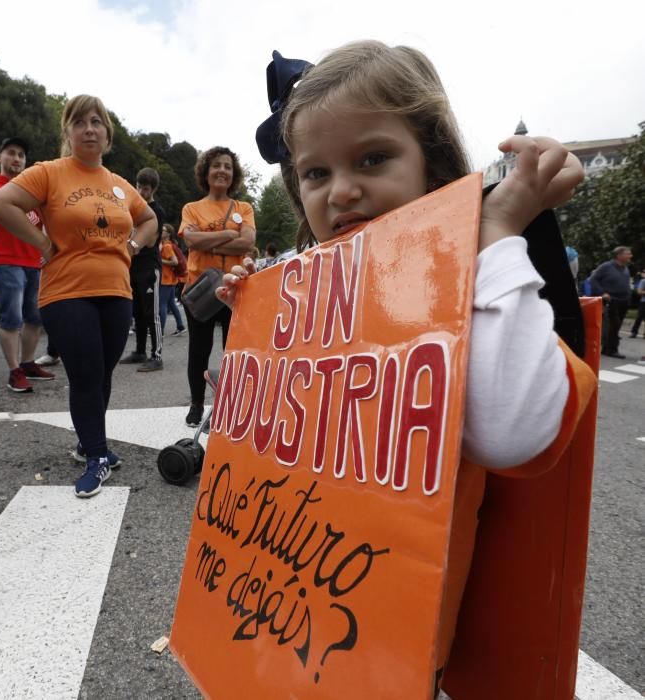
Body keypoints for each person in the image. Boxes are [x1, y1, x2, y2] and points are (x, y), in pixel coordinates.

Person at [217, 41, 596, 685]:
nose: (342, 190)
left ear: (434, 162)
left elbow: (510, 434)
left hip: (386, 639)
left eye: (373, 157)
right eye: (315, 173)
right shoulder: (307, 289)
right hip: (287, 607)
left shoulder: (473, 282)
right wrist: (255, 333)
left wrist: (498, 235)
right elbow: (262, 434)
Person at [0, 94, 158, 497]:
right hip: (67, 291)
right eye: (80, 122)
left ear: (107, 135)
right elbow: (1, 203)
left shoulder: (119, 186)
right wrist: (43, 245)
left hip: (116, 290)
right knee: (85, 373)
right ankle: (97, 456)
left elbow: (148, 219)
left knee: (102, 373)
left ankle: (88, 441)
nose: (89, 129)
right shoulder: (50, 173)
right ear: (67, 131)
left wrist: (132, 248)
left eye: (97, 122)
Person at [179, 146, 256, 427]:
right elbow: (190, 241)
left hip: (235, 288)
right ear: (206, 172)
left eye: (227, 166)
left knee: (233, 351)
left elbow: (247, 242)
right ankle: (197, 404)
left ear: (233, 175)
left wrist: (206, 237)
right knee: (198, 350)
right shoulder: (191, 208)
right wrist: (228, 234)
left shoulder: (243, 208)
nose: (222, 170)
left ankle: (229, 404)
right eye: (216, 165)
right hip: (200, 289)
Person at [0, 136, 55, 392]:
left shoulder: (32, 190)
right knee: (11, 318)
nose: (16, 158)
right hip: (8, 260)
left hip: (34, 261)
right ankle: (14, 371)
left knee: (35, 317)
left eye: (21, 155)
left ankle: (27, 363)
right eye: (11, 153)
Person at [119, 167, 165, 372]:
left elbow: (149, 241)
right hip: (133, 266)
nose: (140, 192)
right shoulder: (131, 209)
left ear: (153, 189)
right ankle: (140, 351)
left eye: (145, 188)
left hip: (149, 267)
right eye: (138, 187)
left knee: (151, 313)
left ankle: (157, 355)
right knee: (136, 311)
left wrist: (135, 231)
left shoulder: (156, 211)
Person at [589, 246, 633, 358]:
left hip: (623, 301)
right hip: (611, 300)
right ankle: (612, 349)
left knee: (616, 326)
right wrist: (602, 292)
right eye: (628, 253)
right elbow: (592, 279)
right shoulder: (606, 266)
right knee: (614, 324)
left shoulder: (625, 268)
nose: (630, 256)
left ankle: (607, 348)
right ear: (619, 255)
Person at [158, 223, 186, 337]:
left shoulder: (167, 246)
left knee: (162, 304)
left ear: (168, 234)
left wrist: (159, 260)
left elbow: (174, 262)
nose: (161, 232)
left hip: (166, 279)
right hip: (171, 279)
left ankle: (161, 331)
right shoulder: (167, 245)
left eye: (163, 230)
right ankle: (180, 326)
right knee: (171, 303)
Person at [629, 270, 645, 338]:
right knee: (639, 317)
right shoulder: (643, 281)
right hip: (643, 302)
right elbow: (639, 291)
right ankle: (634, 332)